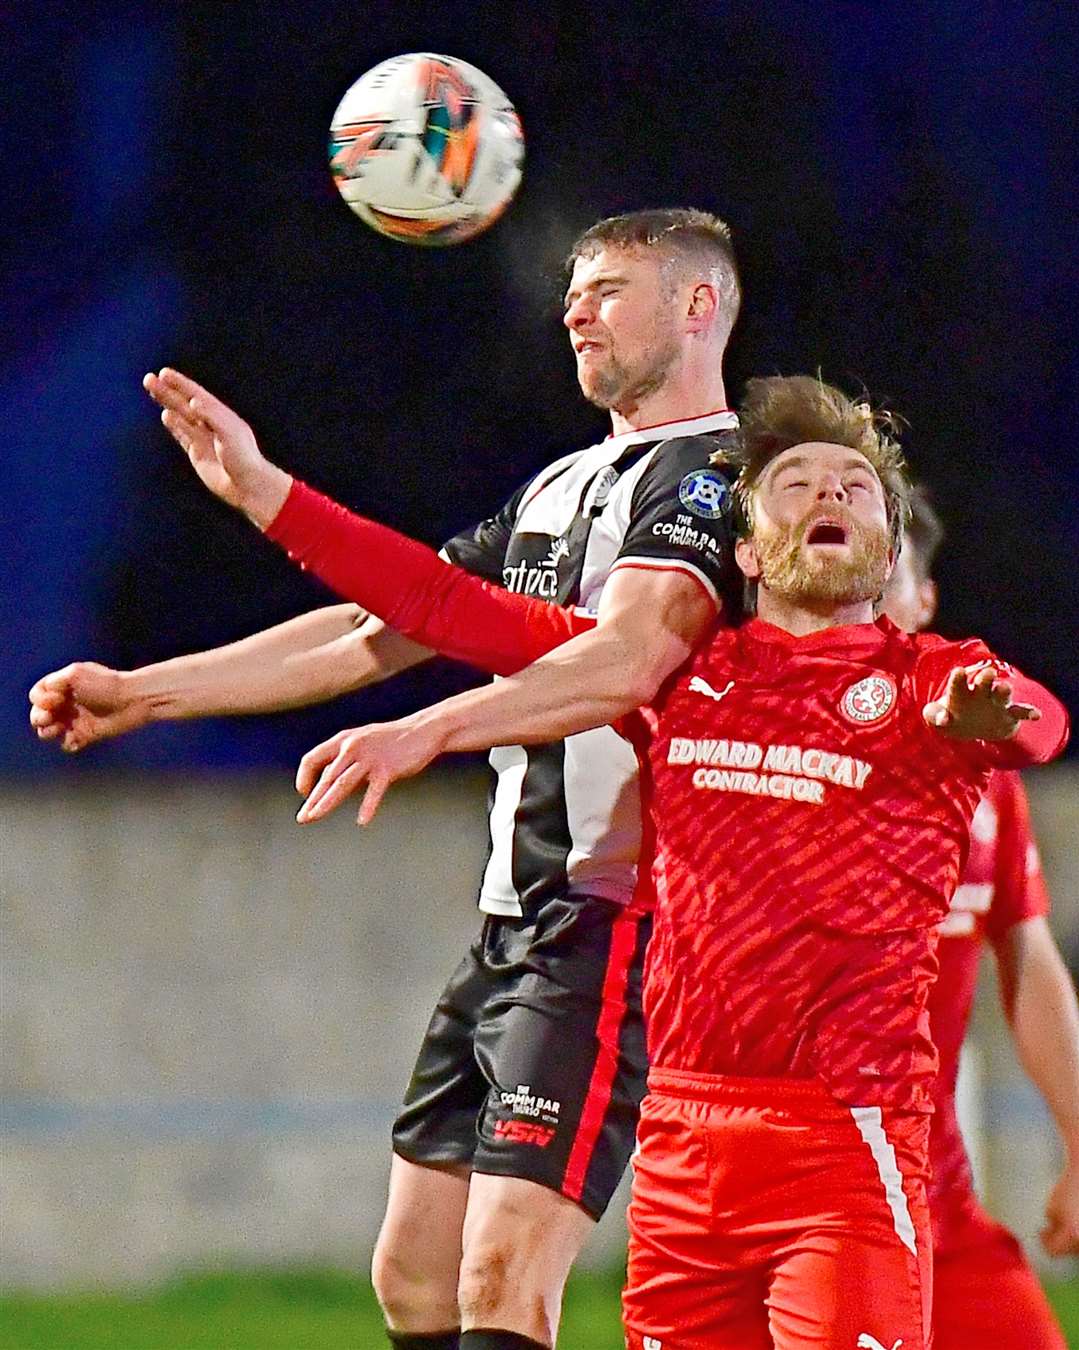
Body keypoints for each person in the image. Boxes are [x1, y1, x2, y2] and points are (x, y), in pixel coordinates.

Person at [102, 369, 1068, 1346]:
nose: (828, 492)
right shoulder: (683, 681)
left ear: (891, 547)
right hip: (687, 1150)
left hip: (843, 1145)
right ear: (744, 551)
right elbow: (449, 605)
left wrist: (982, 718)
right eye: (797, 482)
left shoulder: (926, 682)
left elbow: (1035, 720)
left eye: (856, 486)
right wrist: (270, 497)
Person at [30, 209, 745, 1350]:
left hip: (619, 919)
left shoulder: (719, 476)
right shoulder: (561, 485)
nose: (575, 308)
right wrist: (148, 691)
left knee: (503, 1278)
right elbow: (383, 623)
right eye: (573, 290)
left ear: (700, 305)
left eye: (609, 287)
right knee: (414, 1276)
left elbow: (627, 659)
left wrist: (434, 730)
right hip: (514, 923)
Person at [881, 490, 1079, 1349]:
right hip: (789, 1190)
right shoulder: (757, 727)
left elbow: (1024, 951)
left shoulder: (980, 767)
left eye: (888, 568)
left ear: (925, 599)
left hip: (933, 1188)